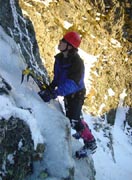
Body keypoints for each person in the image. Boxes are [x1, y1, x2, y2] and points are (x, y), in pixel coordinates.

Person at [39, 31, 97, 158]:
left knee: (73, 121)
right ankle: (84, 129)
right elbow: (58, 78)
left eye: (63, 41)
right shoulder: (60, 58)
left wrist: (54, 93)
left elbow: (72, 83)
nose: (59, 42)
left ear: (69, 46)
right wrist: (50, 87)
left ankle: (91, 143)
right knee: (72, 116)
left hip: (76, 93)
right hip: (67, 93)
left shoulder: (77, 63)